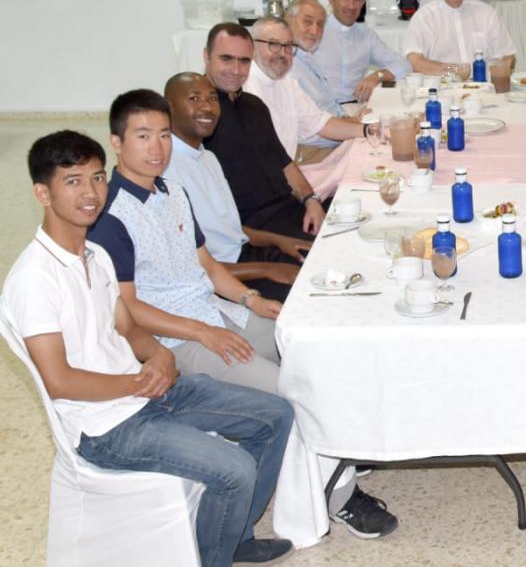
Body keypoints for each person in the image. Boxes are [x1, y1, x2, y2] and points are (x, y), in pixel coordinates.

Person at [2, 129, 295, 567]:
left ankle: (234, 536)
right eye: (72, 181)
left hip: (145, 394)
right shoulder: (34, 280)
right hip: (103, 427)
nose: (91, 192)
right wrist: (137, 383)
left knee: (276, 414)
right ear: (42, 193)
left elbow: (126, 326)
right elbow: (59, 381)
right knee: (233, 468)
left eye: (97, 178)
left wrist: (157, 355)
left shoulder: (94, 255)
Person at [89, 91, 399, 540]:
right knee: (292, 393)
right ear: (116, 143)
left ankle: (336, 449)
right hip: (180, 339)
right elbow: (128, 307)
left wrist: (251, 300)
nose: (157, 148)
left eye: (163, 135)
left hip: (219, 312)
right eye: (142, 136)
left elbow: (206, 264)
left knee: (315, 352)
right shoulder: (110, 216)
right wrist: (203, 332)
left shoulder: (172, 191)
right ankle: (339, 498)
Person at [163, 72, 306, 302]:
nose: (207, 107)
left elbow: (229, 230)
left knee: (323, 263)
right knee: (307, 297)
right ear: (168, 108)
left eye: (212, 98)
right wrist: (267, 269)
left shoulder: (208, 157)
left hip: (246, 255)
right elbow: (194, 267)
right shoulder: (166, 172)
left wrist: (278, 241)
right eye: (194, 98)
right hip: (222, 279)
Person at [200, 23, 325, 242]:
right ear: (206, 56)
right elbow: (209, 219)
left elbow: (284, 163)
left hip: (290, 211)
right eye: (226, 59)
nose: (236, 70)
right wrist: (276, 241)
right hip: (253, 233)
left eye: (244, 61)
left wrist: (310, 199)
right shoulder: (199, 117)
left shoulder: (254, 106)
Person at [244, 16, 366, 163]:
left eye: (288, 46)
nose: (282, 53)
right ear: (251, 47)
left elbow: (319, 123)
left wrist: (369, 130)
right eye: (274, 44)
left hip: (285, 167)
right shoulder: (244, 88)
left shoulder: (286, 82)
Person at [290, 0, 410, 114]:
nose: (351, 6)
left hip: (356, 106)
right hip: (318, 110)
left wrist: (376, 76)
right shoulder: (315, 32)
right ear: (331, 0)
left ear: (363, 3)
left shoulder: (366, 35)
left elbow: (404, 65)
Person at [403, 0, 515, 76]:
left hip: (484, 83)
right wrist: (456, 71)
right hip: (443, 83)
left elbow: (508, 56)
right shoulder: (424, 17)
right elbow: (414, 62)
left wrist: (500, 72)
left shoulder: (487, 13)